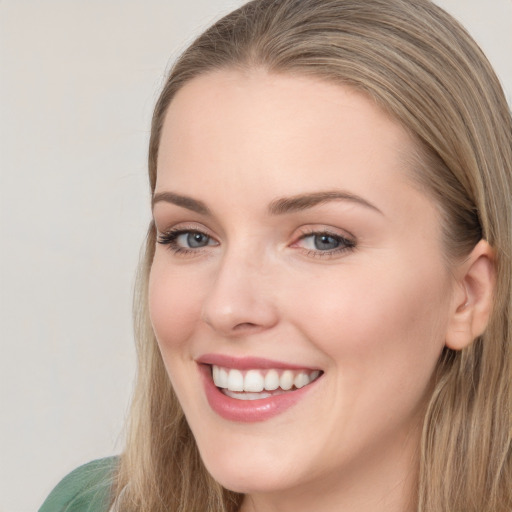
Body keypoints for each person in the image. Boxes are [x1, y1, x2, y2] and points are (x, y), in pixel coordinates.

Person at [39, 0, 512, 511]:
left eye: (322, 240)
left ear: (469, 295)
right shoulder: (91, 504)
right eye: (192, 236)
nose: (226, 306)